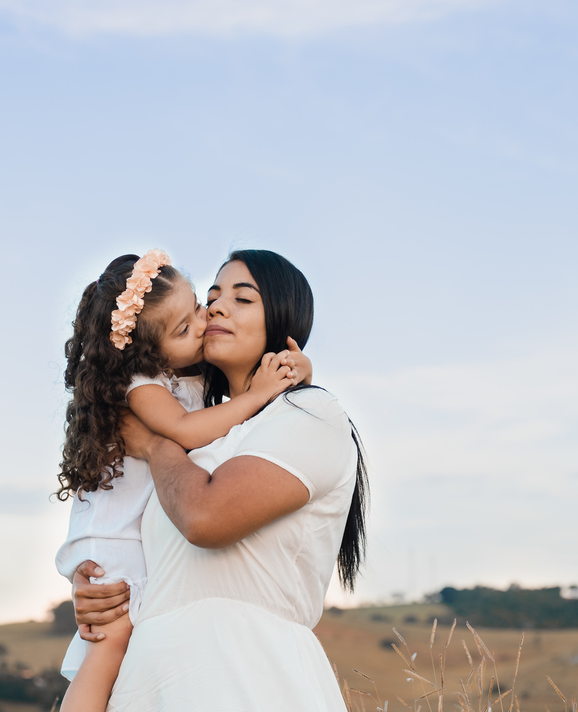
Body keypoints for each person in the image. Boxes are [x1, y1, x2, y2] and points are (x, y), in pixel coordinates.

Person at [70, 249, 368, 711]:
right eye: (211, 296)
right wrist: (99, 586)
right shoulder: (197, 431)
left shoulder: (309, 413)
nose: (217, 308)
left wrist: (154, 445)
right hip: (152, 684)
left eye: (242, 299)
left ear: (284, 323)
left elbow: (204, 517)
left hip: (247, 677)